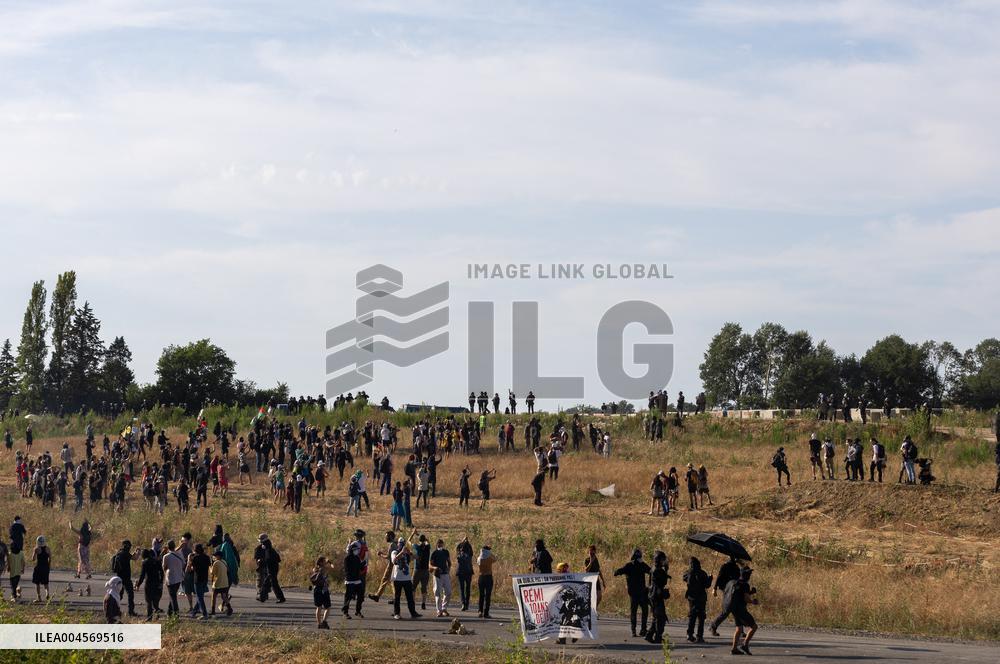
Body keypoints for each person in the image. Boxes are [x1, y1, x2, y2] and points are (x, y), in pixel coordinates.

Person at [615, 549, 651, 637]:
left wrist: (618, 572)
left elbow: (618, 572)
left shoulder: (629, 565)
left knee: (634, 612)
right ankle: (642, 630)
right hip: (640, 593)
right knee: (644, 611)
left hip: (635, 593)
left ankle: (635, 631)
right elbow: (651, 571)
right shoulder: (641, 565)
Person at [724, 567, 759, 656]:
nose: (750, 575)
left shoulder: (733, 582)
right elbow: (746, 598)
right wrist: (753, 601)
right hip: (741, 609)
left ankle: (734, 649)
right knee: (754, 627)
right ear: (747, 575)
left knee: (739, 629)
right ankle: (745, 645)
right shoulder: (745, 584)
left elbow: (739, 594)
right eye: (749, 574)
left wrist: (750, 592)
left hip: (733, 608)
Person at [709, 557, 742, 636]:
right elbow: (719, 577)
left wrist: (715, 588)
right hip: (728, 590)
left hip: (730, 589)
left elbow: (719, 577)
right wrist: (714, 588)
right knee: (728, 610)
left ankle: (740, 630)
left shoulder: (731, 567)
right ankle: (713, 626)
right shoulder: (733, 567)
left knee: (734, 609)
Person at [683, 557, 712, 643]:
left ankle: (689, 634)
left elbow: (684, 578)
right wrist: (710, 579)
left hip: (691, 598)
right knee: (701, 617)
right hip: (701, 598)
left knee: (692, 616)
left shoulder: (688, 572)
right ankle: (699, 636)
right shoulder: (702, 573)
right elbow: (707, 585)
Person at [390, 538, 420, 619]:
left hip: (407, 578)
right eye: (400, 543)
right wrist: (401, 552)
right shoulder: (394, 552)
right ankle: (397, 613)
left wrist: (410, 551)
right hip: (397, 578)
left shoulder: (407, 554)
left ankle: (413, 612)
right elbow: (394, 560)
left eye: (403, 543)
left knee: (410, 597)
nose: (401, 545)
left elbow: (416, 557)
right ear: (398, 544)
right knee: (397, 597)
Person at [111, 540, 141, 617]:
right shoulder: (126, 553)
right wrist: (138, 552)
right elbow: (134, 558)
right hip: (126, 578)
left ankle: (114, 610)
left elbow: (131, 557)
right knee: (130, 594)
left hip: (119, 577)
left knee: (119, 595)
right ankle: (131, 611)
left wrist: (135, 553)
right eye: (129, 546)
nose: (130, 547)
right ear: (127, 546)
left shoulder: (119, 553)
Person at [646, 551, 670, 644]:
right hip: (656, 596)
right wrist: (666, 570)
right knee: (661, 618)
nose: (664, 561)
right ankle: (658, 637)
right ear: (659, 560)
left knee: (656, 617)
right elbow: (663, 582)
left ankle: (649, 635)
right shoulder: (658, 570)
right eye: (663, 559)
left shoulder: (653, 569)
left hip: (653, 595)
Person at [254, 534, 286, 603]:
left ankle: (279, 598)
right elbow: (278, 558)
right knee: (269, 583)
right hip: (273, 567)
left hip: (271, 568)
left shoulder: (267, 548)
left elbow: (268, 559)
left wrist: (261, 561)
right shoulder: (270, 547)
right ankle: (263, 597)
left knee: (271, 584)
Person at [135, 548, 163, 620]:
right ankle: (157, 614)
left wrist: (138, 585)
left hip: (149, 583)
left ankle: (149, 616)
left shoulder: (145, 562)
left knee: (148, 600)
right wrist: (161, 582)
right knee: (155, 600)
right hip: (157, 582)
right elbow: (162, 572)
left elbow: (142, 575)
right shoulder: (157, 561)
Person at [162, 539, 186, 617]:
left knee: (173, 597)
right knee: (173, 595)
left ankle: (176, 614)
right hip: (179, 578)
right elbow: (183, 565)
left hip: (170, 579)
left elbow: (164, 567)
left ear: (167, 547)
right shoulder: (179, 555)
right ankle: (169, 612)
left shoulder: (166, 556)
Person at [310, 556, 335, 628]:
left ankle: (319, 624)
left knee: (318, 607)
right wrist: (330, 563)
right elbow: (331, 566)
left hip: (316, 589)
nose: (325, 562)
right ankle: (324, 621)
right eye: (324, 561)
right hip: (324, 590)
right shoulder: (324, 569)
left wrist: (328, 562)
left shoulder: (315, 569)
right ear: (321, 562)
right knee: (328, 607)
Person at [430, 538, 452, 617]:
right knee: (437, 592)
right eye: (439, 543)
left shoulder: (446, 552)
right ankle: (439, 610)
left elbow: (449, 562)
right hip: (437, 574)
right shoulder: (434, 553)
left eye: (441, 543)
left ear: (443, 544)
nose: (440, 545)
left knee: (448, 591)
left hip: (445, 574)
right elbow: (430, 565)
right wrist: (434, 568)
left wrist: (448, 569)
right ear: (437, 545)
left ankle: (444, 608)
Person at [412, 533, 432, 611]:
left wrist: (413, 533)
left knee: (413, 587)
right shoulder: (427, 547)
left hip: (417, 569)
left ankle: (413, 602)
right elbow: (428, 543)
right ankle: (423, 603)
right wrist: (426, 540)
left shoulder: (417, 547)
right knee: (424, 588)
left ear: (419, 540)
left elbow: (409, 542)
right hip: (425, 570)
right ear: (424, 540)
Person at [209, 549, 232, 615]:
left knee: (213, 596)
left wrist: (210, 567)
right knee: (224, 596)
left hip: (217, 582)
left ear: (218, 556)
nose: (214, 557)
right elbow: (227, 570)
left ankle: (213, 611)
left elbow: (212, 572)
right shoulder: (224, 561)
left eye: (215, 556)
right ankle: (229, 608)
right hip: (224, 582)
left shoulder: (216, 563)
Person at [455, 537, 474, 611]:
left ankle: (463, 603)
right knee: (468, 588)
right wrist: (467, 542)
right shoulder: (469, 554)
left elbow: (457, 548)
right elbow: (471, 550)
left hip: (460, 572)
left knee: (462, 588)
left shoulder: (459, 554)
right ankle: (467, 604)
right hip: (468, 572)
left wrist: (462, 541)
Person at [30, 536, 51, 604]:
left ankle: (39, 597)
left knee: (37, 583)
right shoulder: (48, 548)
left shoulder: (36, 549)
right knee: (45, 582)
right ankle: (47, 593)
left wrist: (35, 552)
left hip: (38, 567)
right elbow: (50, 558)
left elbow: (33, 559)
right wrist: (49, 566)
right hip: (46, 567)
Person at [476, 543, 495, 618]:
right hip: (488, 577)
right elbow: (495, 558)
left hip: (481, 577)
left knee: (481, 595)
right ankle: (486, 612)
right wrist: (490, 553)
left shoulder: (479, 559)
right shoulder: (489, 559)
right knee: (488, 595)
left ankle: (480, 611)